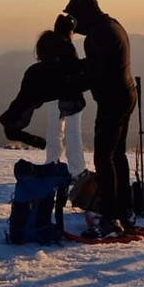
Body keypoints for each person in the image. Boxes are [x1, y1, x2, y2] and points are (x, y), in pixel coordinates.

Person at [64, 0, 137, 239]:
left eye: (74, 17)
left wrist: (70, 82)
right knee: (117, 155)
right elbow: (105, 64)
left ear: (84, 14)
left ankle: (109, 219)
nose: (74, 23)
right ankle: (125, 211)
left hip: (112, 100)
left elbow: (97, 74)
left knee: (104, 158)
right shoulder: (112, 25)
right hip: (127, 94)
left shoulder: (96, 35)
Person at [39, 14, 87, 175]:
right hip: (70, 95)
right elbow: (73, 70)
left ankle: (51, 162)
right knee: (73, 131)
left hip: (52, 94)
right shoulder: (67, 47)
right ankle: (77, 169)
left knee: (54, 130)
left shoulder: (47, 44)